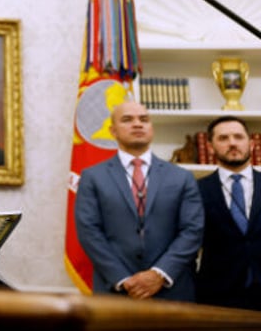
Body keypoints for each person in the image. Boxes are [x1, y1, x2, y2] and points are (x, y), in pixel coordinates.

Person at [74, 98, 203, 301]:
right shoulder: (92, 177)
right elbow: (89, 232)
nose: (137, 124)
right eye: (127, 119)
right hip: (116, 292)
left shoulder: (182, 177)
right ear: (112, 130)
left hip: (172, 291)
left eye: (144, 119)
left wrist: (158, 274)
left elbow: (192, 230)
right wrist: (124, 279)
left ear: (151, 127)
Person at [196, 115, 261, 310]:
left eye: (238, 137)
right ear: (209, 146)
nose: (232, 143)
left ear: (250, 143)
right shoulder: (196, 190)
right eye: (223, 138)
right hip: (216, 297)